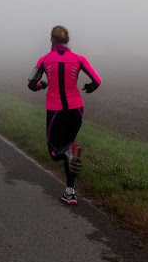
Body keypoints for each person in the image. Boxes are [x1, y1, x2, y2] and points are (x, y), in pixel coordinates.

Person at [27, 25, 101, 205]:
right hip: (76, 110)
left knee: (55, 151)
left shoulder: (44, 60)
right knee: (69, 147)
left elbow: (31, 84)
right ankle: (70, 192)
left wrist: (41, 85)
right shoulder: (79, 59)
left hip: (56, 111)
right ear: (68, 41)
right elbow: (97, 80)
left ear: (51, 40)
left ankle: (68, 156)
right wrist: (90, 88)